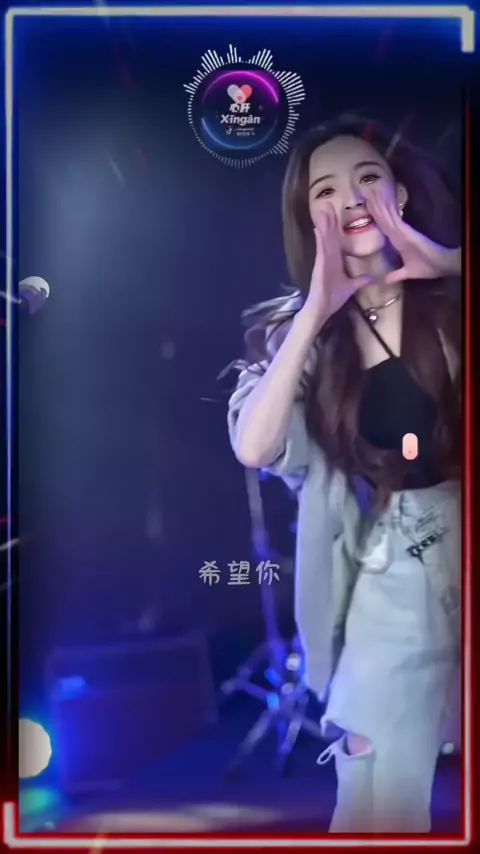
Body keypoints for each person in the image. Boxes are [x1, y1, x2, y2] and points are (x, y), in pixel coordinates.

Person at [227, 115, 462, 834]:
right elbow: (254, 446)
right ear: (307, 219)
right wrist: (312, 314)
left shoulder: (450, 299)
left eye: (368, 179)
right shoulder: (299, 336)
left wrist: (451, 264)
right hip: (398, 562)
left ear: (401, 194)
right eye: (325, 191)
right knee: (373, 782)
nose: (352, 199)